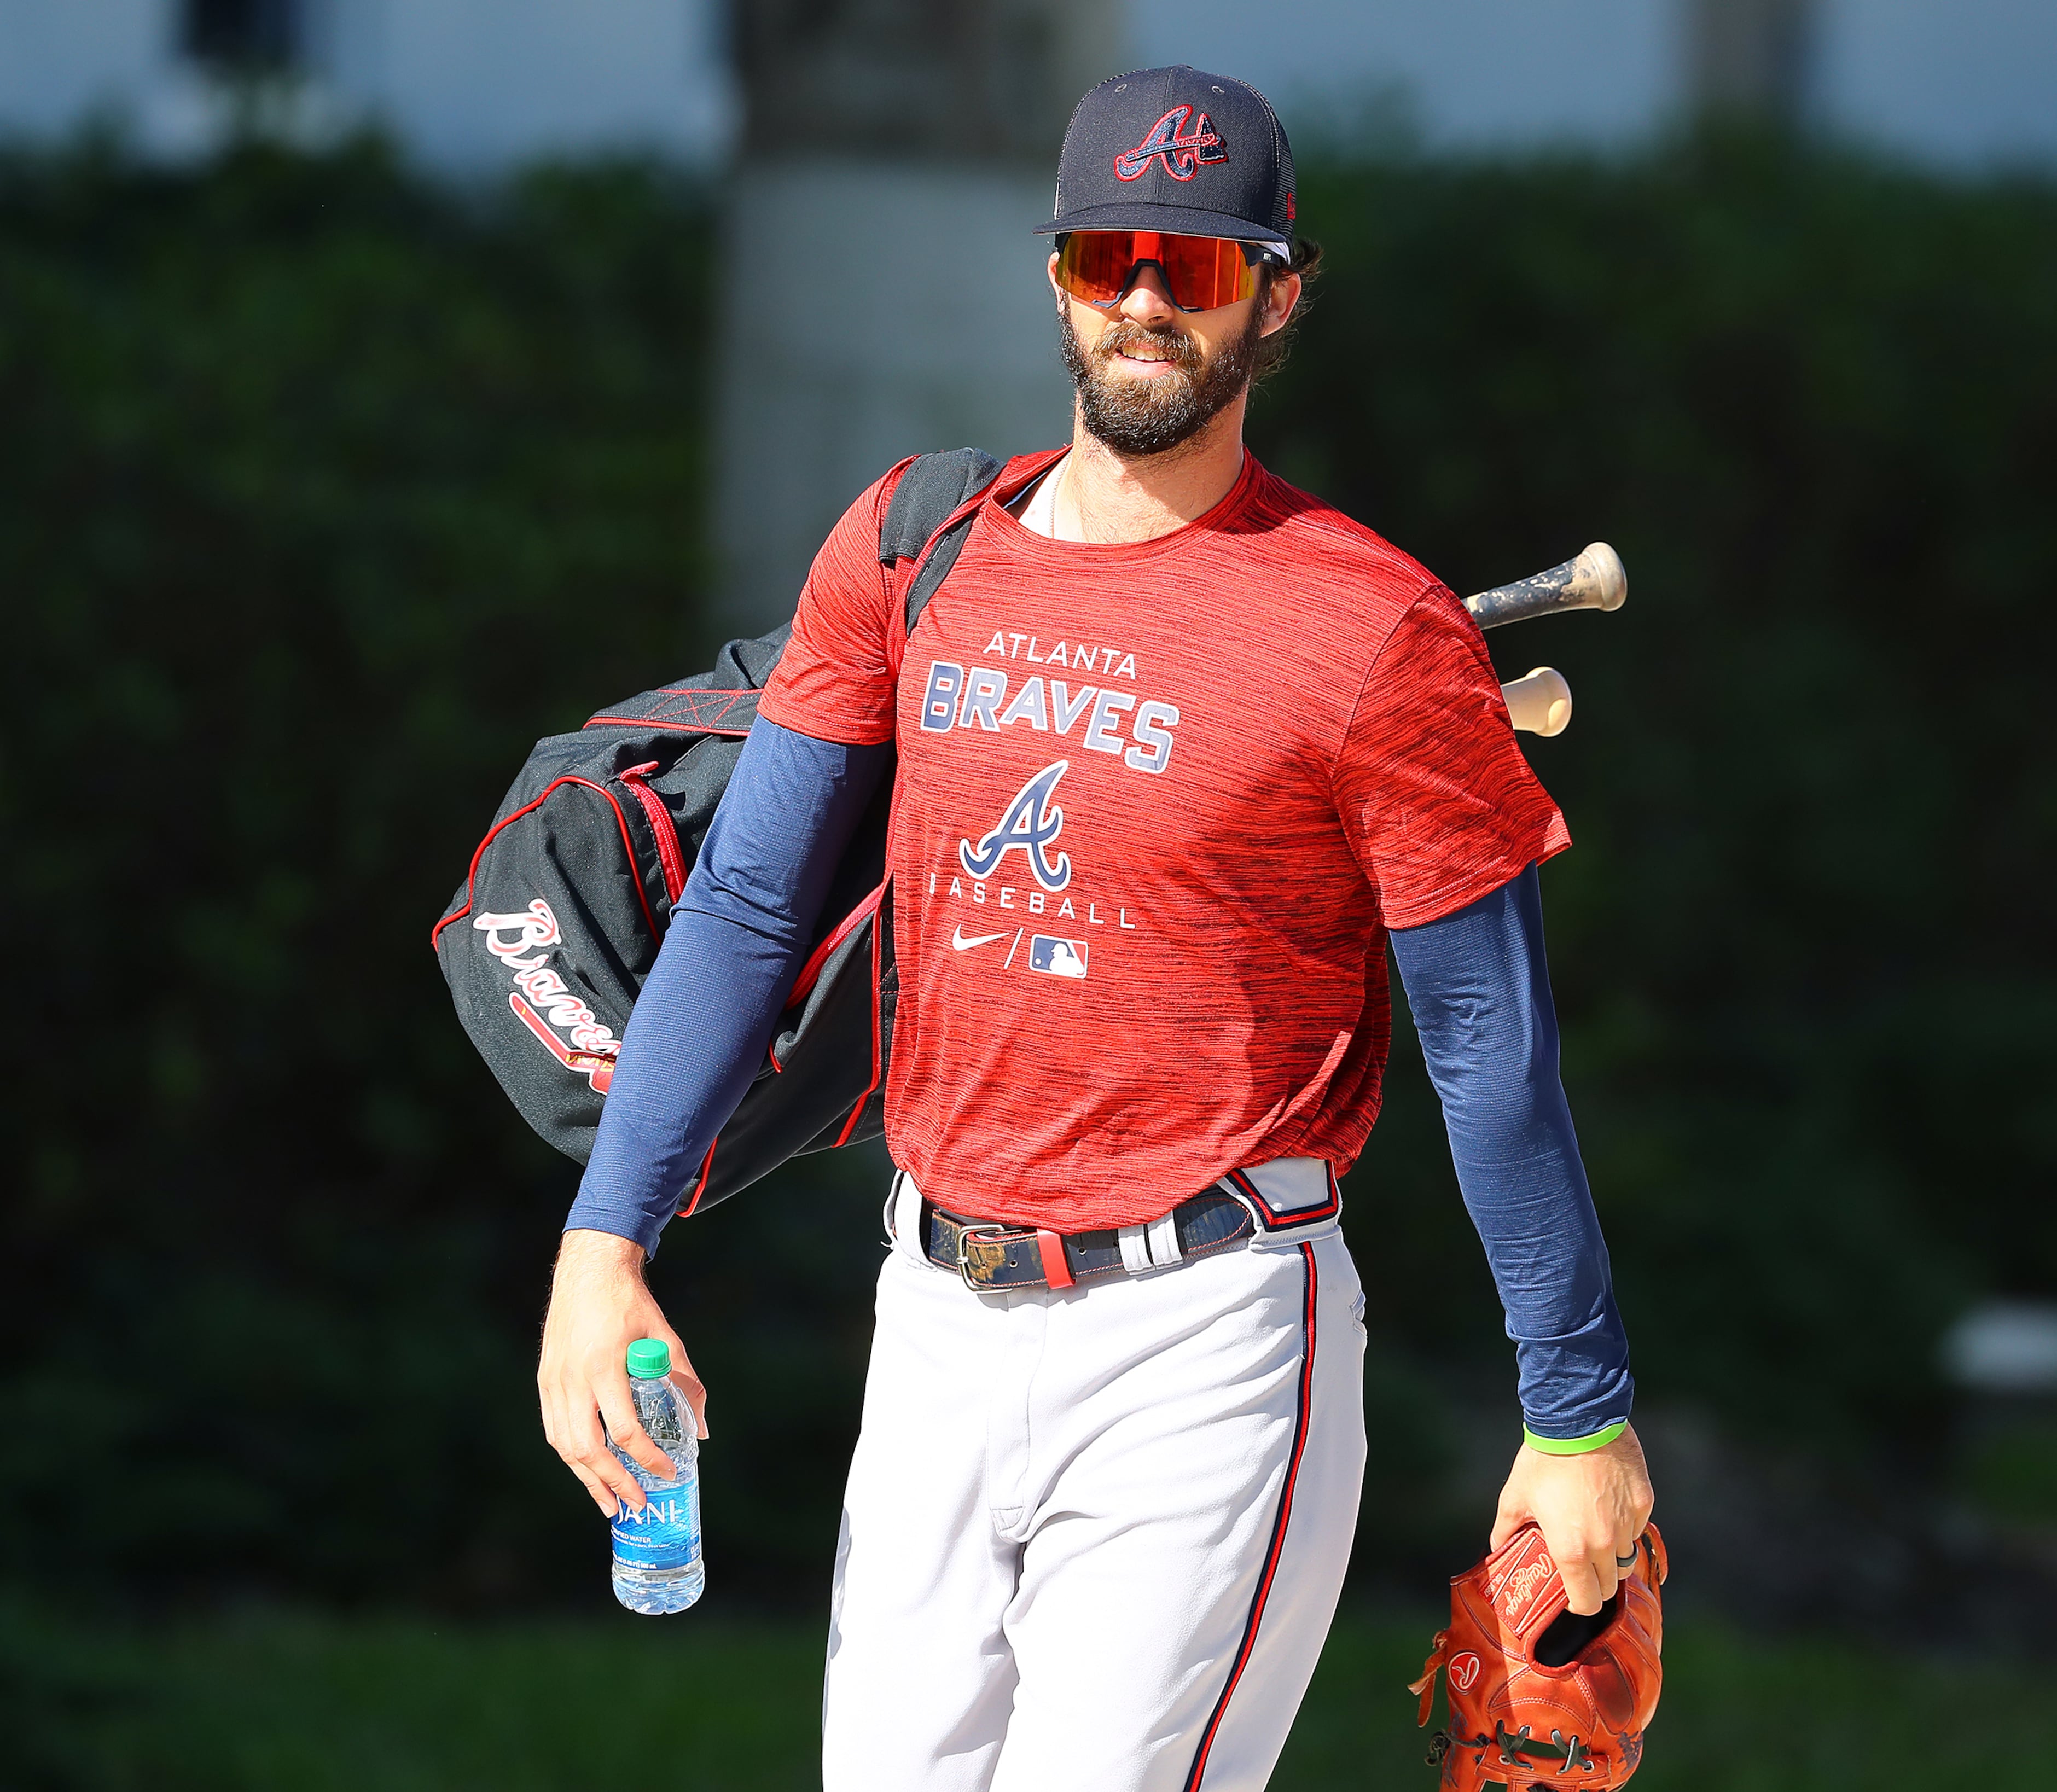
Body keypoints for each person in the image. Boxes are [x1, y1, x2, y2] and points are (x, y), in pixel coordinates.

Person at [537, 65, 1653, 1792]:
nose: (1146, 295)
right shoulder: (916, 547)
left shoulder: (1373, 628)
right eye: (1108, 254)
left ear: (1276, 297)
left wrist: (1574, 1407)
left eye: (1197, 264)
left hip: (1204, 1335)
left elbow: (1489, 1044)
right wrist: (604, 1242)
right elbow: (751, 903)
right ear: (1057, 275)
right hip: (933, 1310)